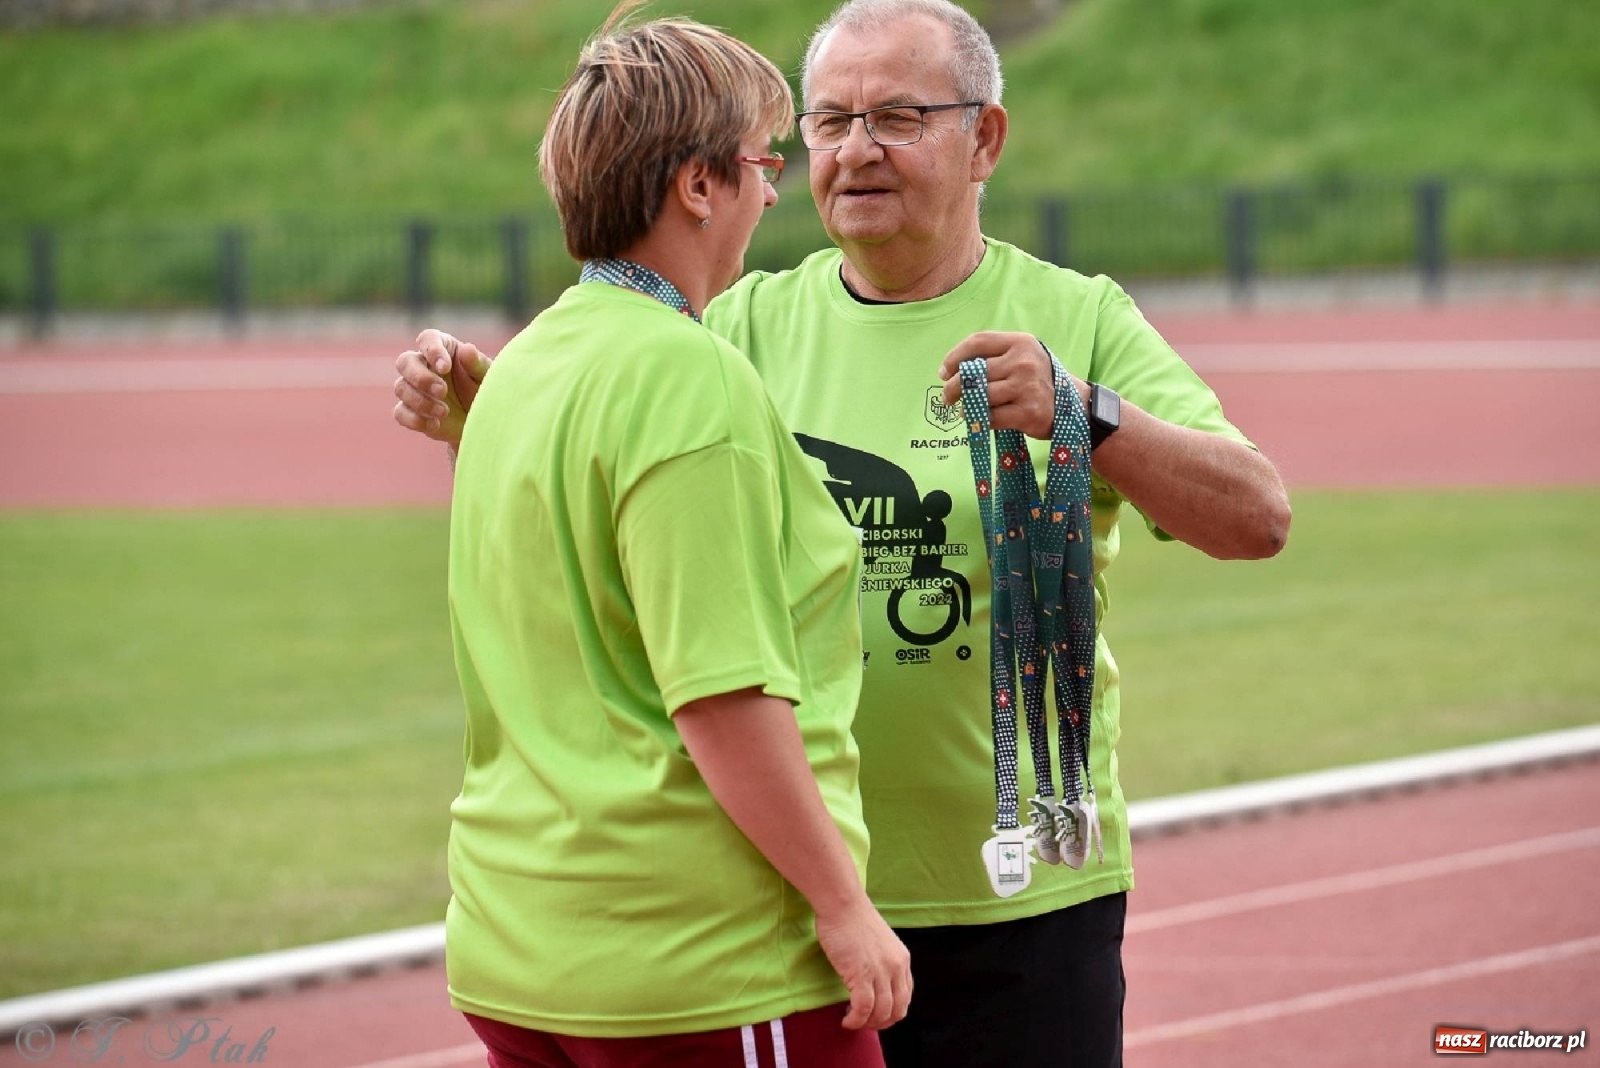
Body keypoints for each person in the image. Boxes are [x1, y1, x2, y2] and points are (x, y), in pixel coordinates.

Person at [395, 1, 1291, 1064]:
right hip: (790, 904)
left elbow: (1254, 515)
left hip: (1015, 897)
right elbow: (613, 561)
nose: (855, 150)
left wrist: (1082, 411)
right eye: (827, 122)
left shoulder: (1075, 312)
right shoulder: (726, 330)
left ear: (985, 139)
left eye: (899, 117)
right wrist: (485, 425)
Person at [438, 4, 911, 1066]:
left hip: (520, 942)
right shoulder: (685, 374)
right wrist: (842, 905)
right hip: (698, 960)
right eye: (764, 158)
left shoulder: (523, 363)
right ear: (699, 184)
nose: (778, 185)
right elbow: (720, 691)